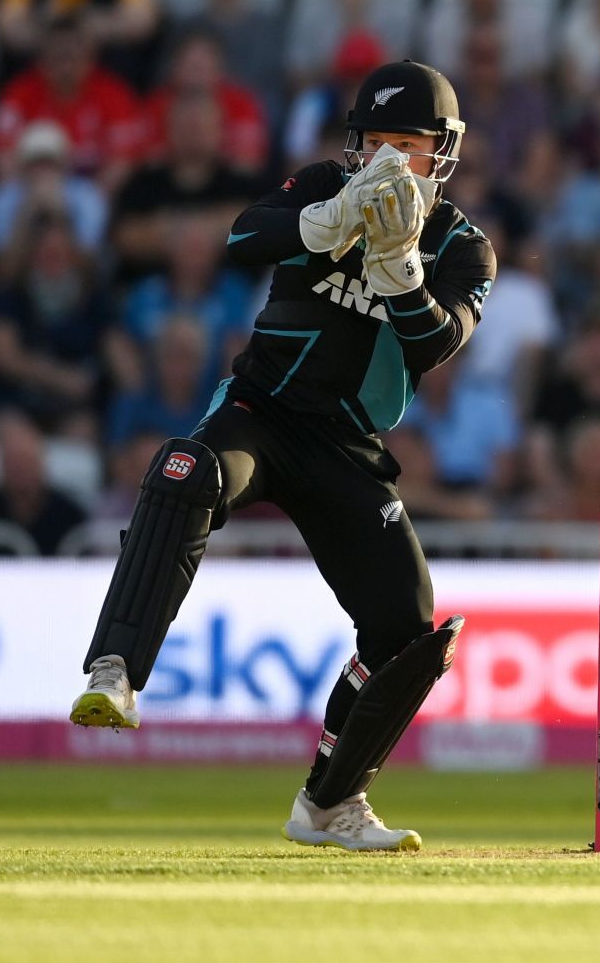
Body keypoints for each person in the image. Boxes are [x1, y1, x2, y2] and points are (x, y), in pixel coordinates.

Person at [68, 60, 497, 853]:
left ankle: (330, 806)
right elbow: (240, 238)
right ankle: (116, 673)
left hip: (345, 443)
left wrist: (402, 272)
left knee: (406, 628)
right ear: (355, 145)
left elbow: (435, 345)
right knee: (185, 468)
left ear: (444, 152)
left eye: (412, 144)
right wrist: (326, 224)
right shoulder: (320, 186)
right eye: (380, 144)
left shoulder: (462, 248)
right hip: (260, 412)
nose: (394, 162)